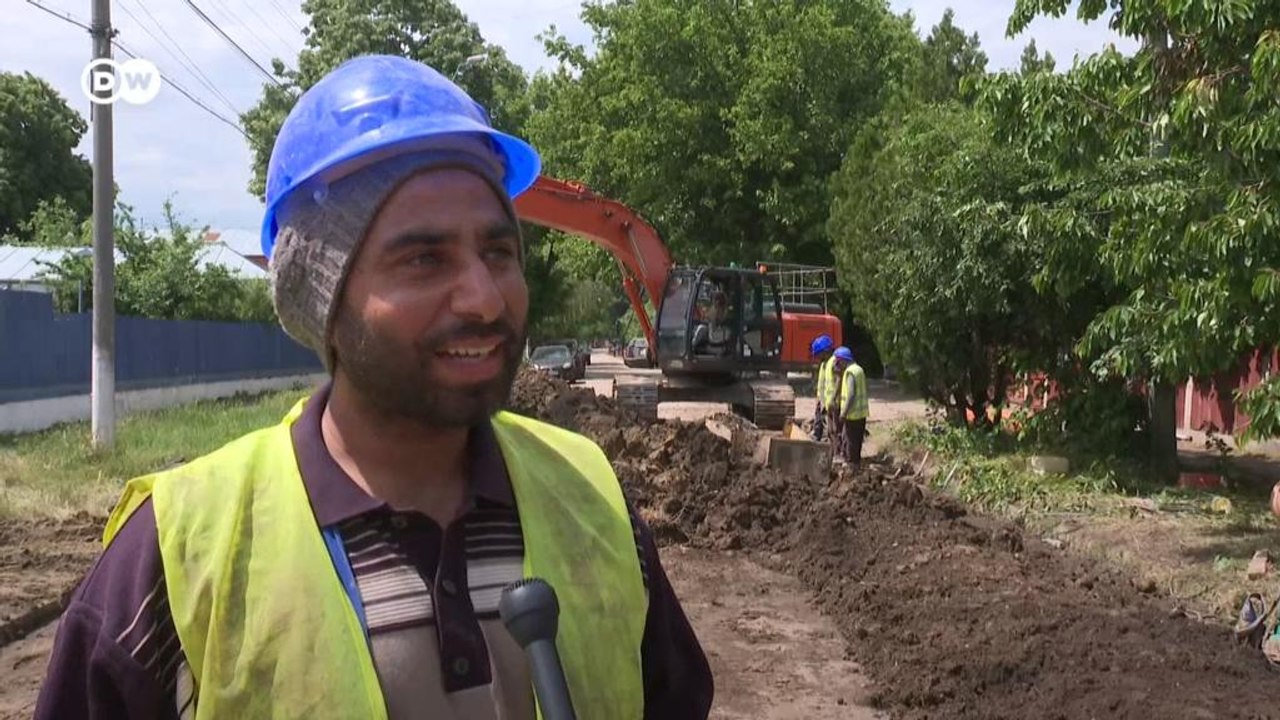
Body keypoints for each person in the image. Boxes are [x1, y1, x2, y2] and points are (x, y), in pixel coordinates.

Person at [35, 55, 712, 720]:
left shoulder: (594, 501)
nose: (483, 298)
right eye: (424, 259)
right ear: (322, 297)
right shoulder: (176, 559)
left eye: (498, 252)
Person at [835, 346, 870, 467]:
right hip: (861, 414)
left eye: (838, 362)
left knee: (850, 441)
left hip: (852, 414)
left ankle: (851, 466)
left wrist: (843, 413)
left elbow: (851, 394)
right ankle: (856, 463)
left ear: (844, 360)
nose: (837, 365)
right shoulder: (859, 370)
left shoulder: (850, 372)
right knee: (857, 441)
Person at [809, 334, 835, 441]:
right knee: (819, 420)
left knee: (832, 429)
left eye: (819, 354)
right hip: (824, 401)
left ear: (825, 351)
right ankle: (817, 436)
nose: (817, 357)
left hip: (831, 402)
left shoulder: (834, 363)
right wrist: (819, 398)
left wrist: (829, 402)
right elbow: (822, 384)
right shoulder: (824, 364)